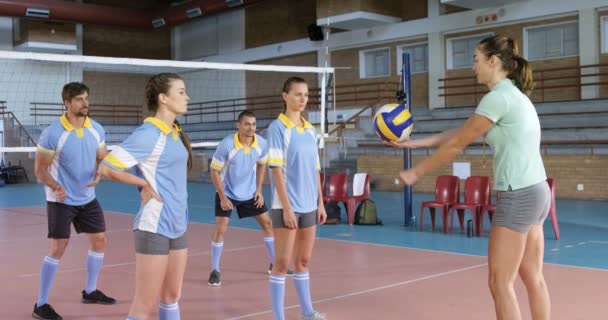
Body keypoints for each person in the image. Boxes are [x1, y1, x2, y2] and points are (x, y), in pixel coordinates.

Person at [389, 35, 550, 320]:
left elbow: (457, 144)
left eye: (476, 60)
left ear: (493, 61)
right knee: (532, 277)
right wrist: (416, 143)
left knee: (500, 283)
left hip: (518, 196)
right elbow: (461, 132)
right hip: (538, 191)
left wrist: (416, 171)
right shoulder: (513, 95)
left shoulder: (497, 97)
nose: (473, 67)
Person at [98, 73, 192, 320]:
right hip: (155, 224)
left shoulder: (173, 131)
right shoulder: (149, 133)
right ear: (163, 98)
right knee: (144, 304)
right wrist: (142, 183)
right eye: (181, 92)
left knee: (172, 296)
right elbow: (107, 167)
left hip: (178, 222)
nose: (187, 97)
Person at [33, 82, 115, 320]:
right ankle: (41, 303)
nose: (85, 103)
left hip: (88, 197)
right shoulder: (53, 133)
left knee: (100, 241)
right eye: (79, 99)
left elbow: (103, 157)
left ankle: (90, 291)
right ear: (67, 103)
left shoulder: (96, 129)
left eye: (86, 98)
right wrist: (55, 186)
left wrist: (102, 170)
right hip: (61, 199)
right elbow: (40, 170)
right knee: (59, 248)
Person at [208, 110, 292, 286]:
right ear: (238, 125)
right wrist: (222, 197)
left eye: (253, 124)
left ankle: (274, 264)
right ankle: (215, 270)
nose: (251, 128)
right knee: (221, 228)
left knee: (268, 224)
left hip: (250, 192)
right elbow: (214, 171)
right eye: (247, 124)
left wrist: (259, 190)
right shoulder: (227, 144)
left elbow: (262, 166)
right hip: (227, 192)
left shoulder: (262, 144)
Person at [267, 77, 327, 320]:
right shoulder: (277, 129)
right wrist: (288, 208)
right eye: (297, 94)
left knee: (303, 260)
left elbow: (315, 170)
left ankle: (307, 312)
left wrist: (320, 203)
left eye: (306, 95)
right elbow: (276, 170)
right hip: (286, 206)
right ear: (285, 96)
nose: (303, 99)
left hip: (309, 205)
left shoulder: (310, 130)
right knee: (281, 264)